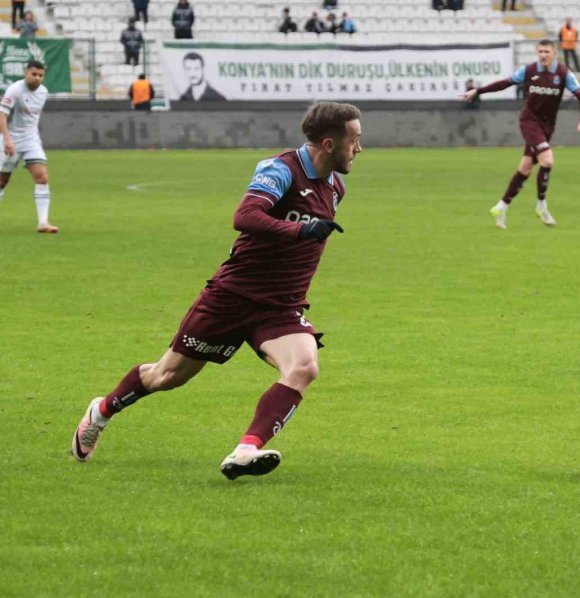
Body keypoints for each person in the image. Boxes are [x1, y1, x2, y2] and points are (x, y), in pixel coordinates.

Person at [71, 102, 363, 480]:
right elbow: (245, 216)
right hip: (232, 297)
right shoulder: (280, 170)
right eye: (354, 140)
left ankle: (246, 450)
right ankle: (102, 410)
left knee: (304, 367)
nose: (359, 149)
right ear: (328, 142)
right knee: (167, 377)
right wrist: (299, 230)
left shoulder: (336, 188)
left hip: (280, 305)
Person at [463, 39, 580, 229]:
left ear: (554, 52)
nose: (543, 55)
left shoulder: (563, 73)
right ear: (536, 52)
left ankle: (501, 207)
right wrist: (478, 91)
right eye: (540, 51)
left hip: (548, 126)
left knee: (525, 169)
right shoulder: (529, 70)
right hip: (529, 122)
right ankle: (541, 205)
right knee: (547, 160)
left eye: (547, 51)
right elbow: (505, 83)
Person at [0, 60, 58, 234]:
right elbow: (2, 115)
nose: (37, 78)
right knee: (2, 181)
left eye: (41, 75)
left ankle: (43, 222)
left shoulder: (43, 92)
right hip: (10, 140)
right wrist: (8, 140)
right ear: (25, 72)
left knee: (42, 177)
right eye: (34, 74)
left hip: (31, 140)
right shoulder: (15, 89)